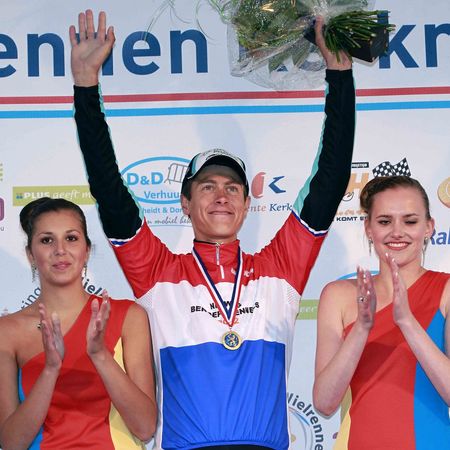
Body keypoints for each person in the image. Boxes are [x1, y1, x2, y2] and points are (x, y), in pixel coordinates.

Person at [70, 9, 355, 450]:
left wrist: (339, 77)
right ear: (185, 204)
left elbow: (331, 178)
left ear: (246, 205)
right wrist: (86, 86)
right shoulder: (157, 273)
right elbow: (108, 189)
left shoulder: (281, 268)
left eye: (232, 188)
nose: (222, 196)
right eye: (207, 187)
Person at [0, 197, 157, 449]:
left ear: (87, 251)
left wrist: (100, 355)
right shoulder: (7, 331)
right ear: (31, 254)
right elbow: (11, 442)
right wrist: (50, 369)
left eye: (71, 238)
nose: (60, 250)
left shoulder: (128, 315)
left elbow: (145, 427)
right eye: (46, 240)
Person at [313, 176, 450, 449]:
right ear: (368, 228)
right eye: (385, 221)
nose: (397, 232)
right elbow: (324, 403)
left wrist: (407, 322)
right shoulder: (338, 295)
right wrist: (361, 328)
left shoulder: (446, 290)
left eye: (410, 221)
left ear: (429, 227)